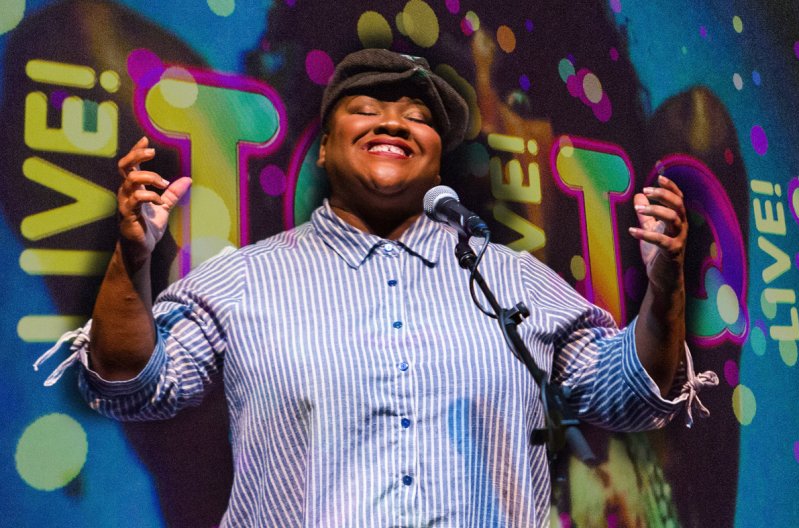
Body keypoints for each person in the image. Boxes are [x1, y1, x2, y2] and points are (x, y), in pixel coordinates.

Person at [37, 49, 716, 527]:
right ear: (325, 148)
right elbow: (132, 385)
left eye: (417, 116)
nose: (392, 121)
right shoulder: (245, 278)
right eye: (364, 108)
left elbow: (634, 395)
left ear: (437, 159)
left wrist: (664, 289)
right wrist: (131, 259)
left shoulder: (513, 280)